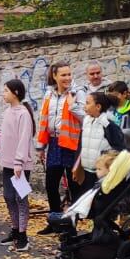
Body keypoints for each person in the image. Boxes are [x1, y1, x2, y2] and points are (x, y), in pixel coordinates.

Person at [0, 79, 36, 252]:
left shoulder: (23, 114)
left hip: (20, 166)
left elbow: (24, 139)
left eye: (6, 91)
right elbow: (4, 132)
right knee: (9, 197)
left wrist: (19, 162)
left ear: (15, 93)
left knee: (20, 198)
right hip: (7, 162)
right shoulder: (8, 111)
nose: (3, 94)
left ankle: (23, 235)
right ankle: (15, 230)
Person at [35, 63, 81, 234]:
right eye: (63, 75)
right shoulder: (49, 94)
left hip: (71, 143)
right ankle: (55, 221)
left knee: (73, 186)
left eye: (69, 74)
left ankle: (72, 225)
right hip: (54, 144)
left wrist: (74, 104)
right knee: (51, 184)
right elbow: (43, 120)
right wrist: (41, 147)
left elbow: (84, 117)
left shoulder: (77, 93)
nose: (67, 78)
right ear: (54, 76)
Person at [74, 91, 125, 198]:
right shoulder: (86, 121)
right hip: (86, 172)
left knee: (99, 203)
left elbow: (119, 149)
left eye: (88, 103)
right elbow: (81, 145)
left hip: (101, 174)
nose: (85, 106)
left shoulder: (108, 125)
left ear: (98, 106)